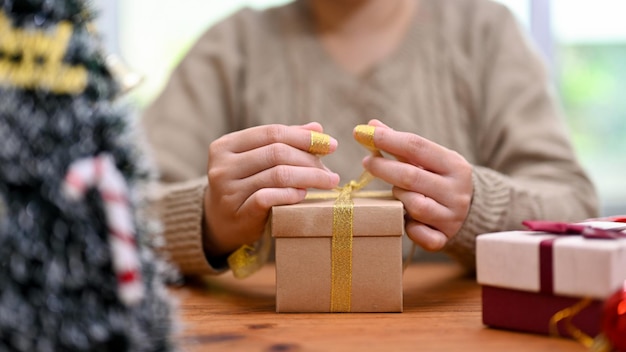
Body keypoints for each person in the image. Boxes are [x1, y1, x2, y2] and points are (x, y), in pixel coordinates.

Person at [141, 0, 598, 276]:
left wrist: (478, 206)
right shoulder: (230, 49)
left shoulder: (485, 33)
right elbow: (116, 213)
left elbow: (575, 208)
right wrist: (208, 220)